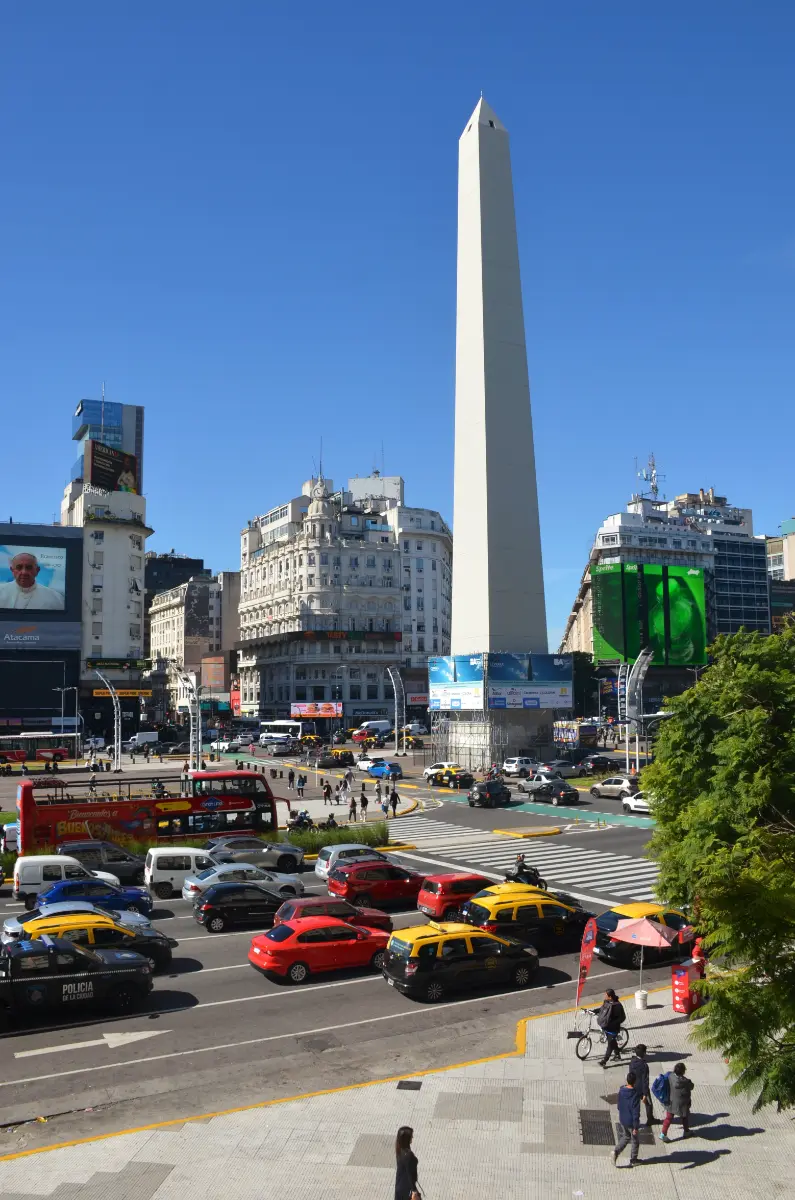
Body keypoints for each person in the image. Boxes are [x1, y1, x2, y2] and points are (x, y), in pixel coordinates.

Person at [0, 551, 64, 610]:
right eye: (19, 567)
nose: (24, 572)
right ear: (12, 570)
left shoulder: (55, 598)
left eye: (29, 567)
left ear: (37, 570)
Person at [612, 1070, 641, 1168]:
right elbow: (636, 1112)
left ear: (627, 1080)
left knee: (626, 1136)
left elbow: (619, 1106)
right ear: (635, 1082)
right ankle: (633, 1159)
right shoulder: (635, 1094)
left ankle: (616, 1151)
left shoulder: (621, 1090)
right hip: (631, 1121)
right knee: (635, 1140)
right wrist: (636, 1127)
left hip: (623, 1118)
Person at [659, 1062, 694, 1142]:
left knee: (668, 1118)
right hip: (682, 1104)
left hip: (671, 1102)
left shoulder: (670, 1076)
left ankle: (663, 1134)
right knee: (684, 1116)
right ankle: (686, 1131)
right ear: (683, 1071)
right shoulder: (685, 1081)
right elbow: (691, 1087)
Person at [595, 988, 626, 1067]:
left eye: (606, 995)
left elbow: (622, 1018)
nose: (604, 996)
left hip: (613, 1029)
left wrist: (613, 1023)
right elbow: (602, 1009)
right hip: (606, 1027)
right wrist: (594, 1011)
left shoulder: (617, 1006)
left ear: (610, 997)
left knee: (610, 1045)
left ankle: (604, 1061)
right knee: (612, 1043)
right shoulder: (607, 1001)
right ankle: (617, 1054)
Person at [628, 1044, 654, 1126]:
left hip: (634, 1087)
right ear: (644, 1053)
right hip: (642, 1089)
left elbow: (630, 1074)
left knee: (634, 1105)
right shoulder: (644, 1066)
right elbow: (645, 1080)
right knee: (649, 1104)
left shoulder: (632, 1062)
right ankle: (650, 1119)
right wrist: (645, 1093)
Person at [394, 1125, 419, 1200]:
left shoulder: (400, 1150)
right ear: (406, 1139)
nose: (412, 1137)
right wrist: (414, 1190)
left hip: (400, 1185)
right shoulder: (408, 1155)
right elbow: (409, 1174)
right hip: (406, 1189)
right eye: (411, 1136)